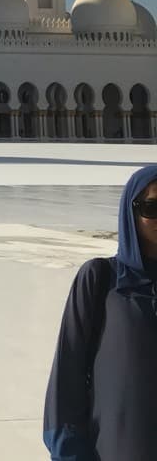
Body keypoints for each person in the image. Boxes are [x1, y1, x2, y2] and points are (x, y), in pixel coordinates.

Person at [43, 164, 157, 459]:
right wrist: (68, 451)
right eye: (152, 207)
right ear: (130, 213)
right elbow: (67, 376)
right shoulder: (100, 279)